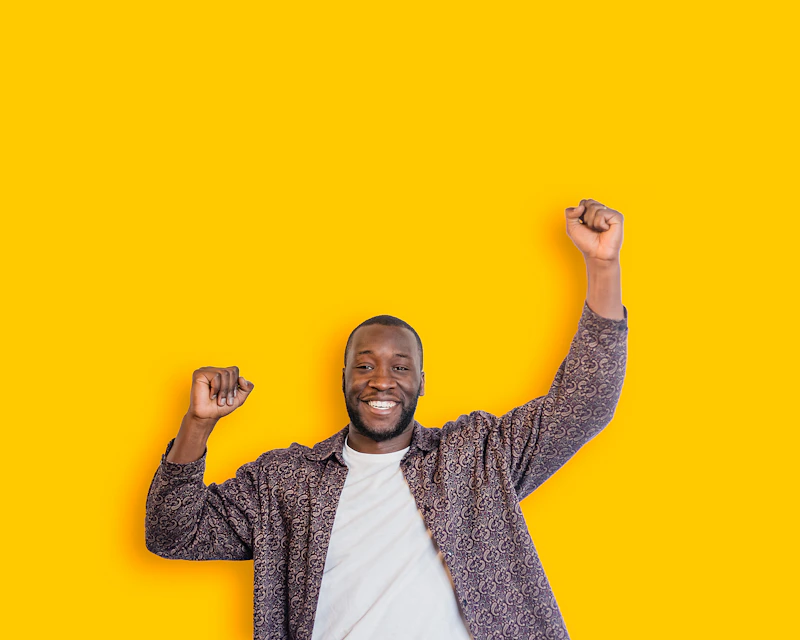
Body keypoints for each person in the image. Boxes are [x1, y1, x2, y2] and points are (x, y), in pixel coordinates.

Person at [145, 199, 629, 640]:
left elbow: (584, 404)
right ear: (343, 378)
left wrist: (603, 266)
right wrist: (197, 424)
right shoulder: (285, 482)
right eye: (365, 366)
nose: (381, 381)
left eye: (400, 368)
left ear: (421, 382)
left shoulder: (475, 457)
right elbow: (173, 534)